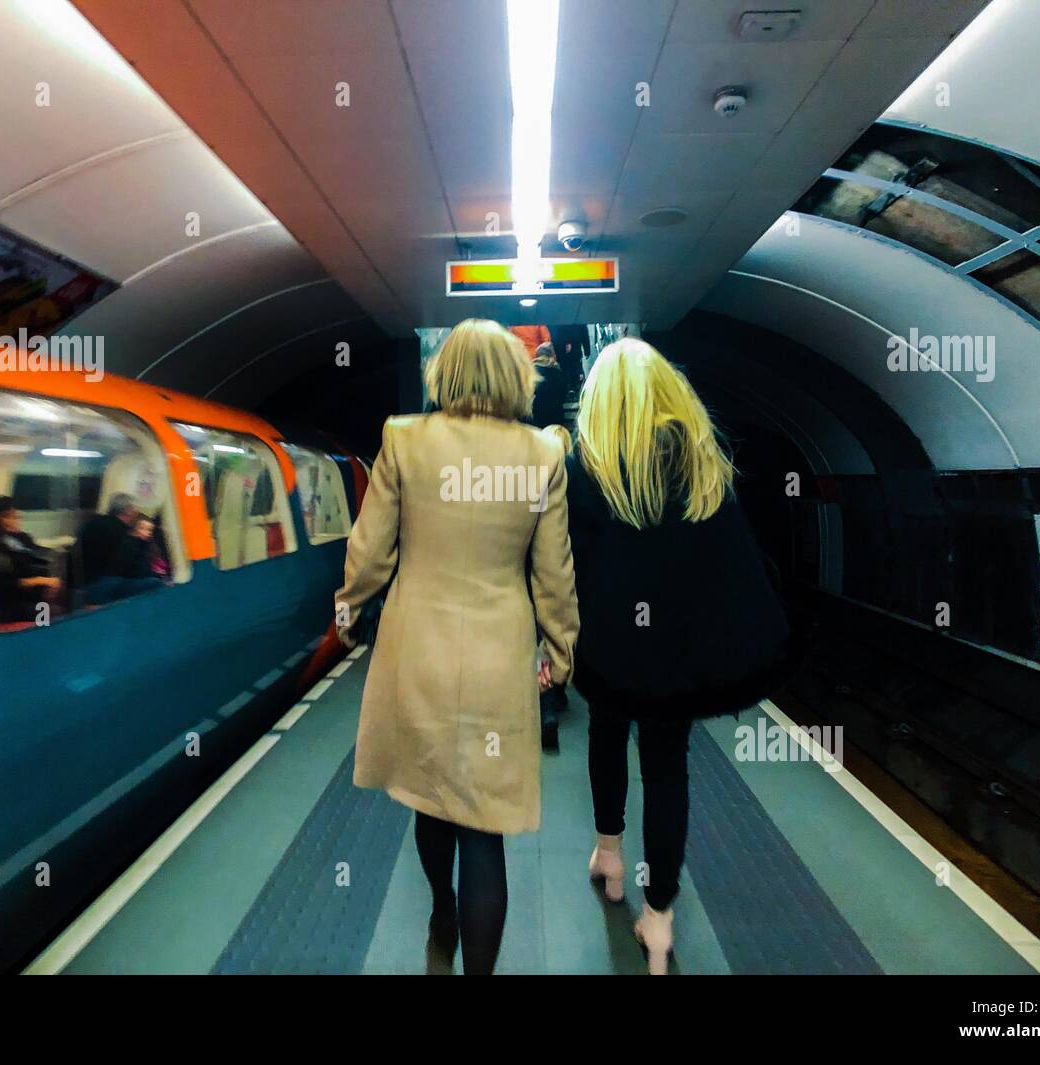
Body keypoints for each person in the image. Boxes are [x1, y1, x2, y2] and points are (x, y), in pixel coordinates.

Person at [335, 318, 579, 975]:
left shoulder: (404, 439)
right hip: (500, 651)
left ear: (443, 373)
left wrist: (348, 605)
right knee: (484, 824)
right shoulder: (543, 454)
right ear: (515, 378)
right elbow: (554, 572)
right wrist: (560, 649)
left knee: (430, 794)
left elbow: (370, 550)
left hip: (419, 650)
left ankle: (441, 910)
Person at [566, 338, 791, 974]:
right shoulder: (703, 463)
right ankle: (658, 920)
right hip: (679, 656)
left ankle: (609, 858)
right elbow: (735, 564)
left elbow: (566, 566)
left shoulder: (589, 468)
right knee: (667, 770)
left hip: (610, 650)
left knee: (606, 737)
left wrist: (553, 640)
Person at [537, 424, 574, 750]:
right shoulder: (575, 480)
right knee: (557, 636)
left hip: (532, 574)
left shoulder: (534, 481)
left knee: (537, 639)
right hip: (567, 574)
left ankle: (544, 705)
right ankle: (556, 692)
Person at [0, 496, 63, 623]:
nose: (13, 521)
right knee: (50, 612)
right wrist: (40, 581)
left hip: (35, 593)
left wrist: (53, 577)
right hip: (11, 602)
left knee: (72, 596)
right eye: (7, 516)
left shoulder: (21, 539)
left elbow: (37, 555)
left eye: (16, 517)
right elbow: (4, 584)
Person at [76, 493, 162, 604]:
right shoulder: (123, 531)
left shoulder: (91, 524)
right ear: (128, 510)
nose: (137, 512)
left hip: (85, 582)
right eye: (135, 509)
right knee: (155, 584)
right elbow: (129, 567)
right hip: (106, 584)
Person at [528, 343, 568, 430]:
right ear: (551, 355)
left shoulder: (531, 372)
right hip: (556, 414)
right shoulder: (557, 372)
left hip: (537, 415)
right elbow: (564, 394)